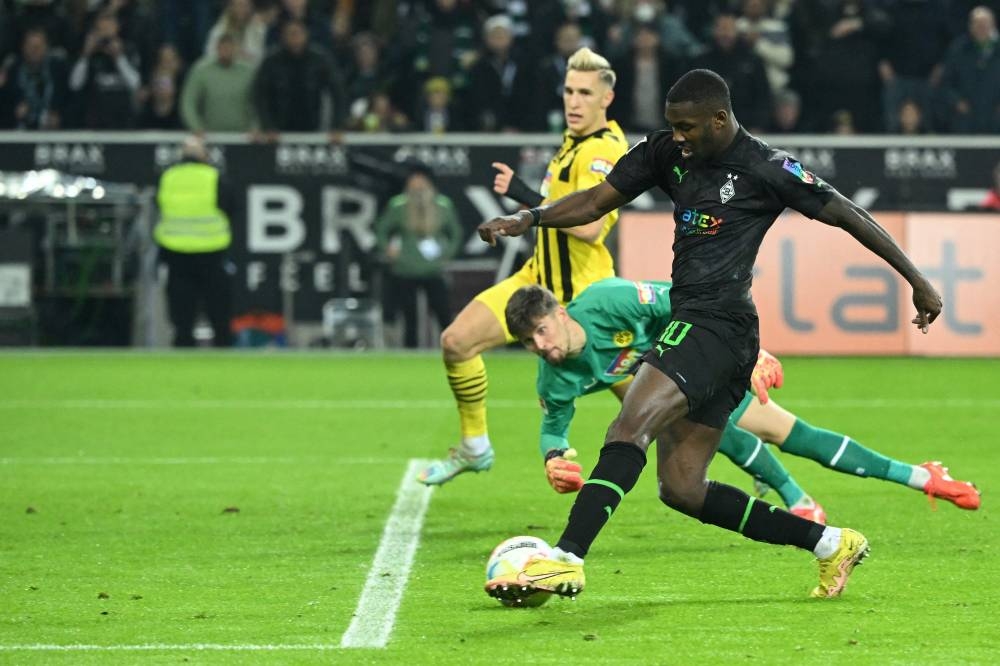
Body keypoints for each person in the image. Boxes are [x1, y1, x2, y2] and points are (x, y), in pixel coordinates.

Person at [478, 69, 943, 602]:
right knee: (681, 487)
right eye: (673, 126)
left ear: (720, 119)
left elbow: (847, 214)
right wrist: (530, 217)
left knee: (628, 426)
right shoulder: (665, 152)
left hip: (717, 326)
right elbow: (595, 201)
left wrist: (918, 281)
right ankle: (831, 542)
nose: (678, 136)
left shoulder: (767, 168)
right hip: (705, 327)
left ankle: (565, 559)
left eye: (688, 127)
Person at [505, 280, 978, 520]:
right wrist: (553, 456)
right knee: (759, 431)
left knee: (788, 434)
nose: (541, 346)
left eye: (542, 331)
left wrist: (747, 352)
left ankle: (911, 480)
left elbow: (692, 299)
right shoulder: (555, 376)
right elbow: (554, 426)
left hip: (705, 349)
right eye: (529, 342)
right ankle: (914, 478)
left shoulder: (610, 301)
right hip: (675, 379)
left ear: (560, 313)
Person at [419, 47, 628, 486]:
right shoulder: (572, 143)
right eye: (569, 90)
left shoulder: (603, 151)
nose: (573, 101)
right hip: (536, 283)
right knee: (457, 342)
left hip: (586, 299)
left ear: (606, 99)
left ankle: (758, 457)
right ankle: (475, 447)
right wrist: (529, 197)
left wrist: (527, 200)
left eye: (585, 93)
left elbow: (589, 227)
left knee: (661, 406)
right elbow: (558, 209)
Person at [154, 136, 235, 348]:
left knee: (182, 313)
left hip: (176, 251)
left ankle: (182, 350)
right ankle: (223, 350)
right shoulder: (215, 177)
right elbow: (232, 208)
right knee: (218, 309)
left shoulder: (168, 177)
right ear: (204, 156)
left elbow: (159, 206)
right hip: (212, 250)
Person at [374, 163, 462, 349]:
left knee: (443, 313)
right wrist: (388, 249)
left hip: (433, 268)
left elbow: (456, 233)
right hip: (406, 267)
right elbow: (381, 229)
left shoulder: (442, 205)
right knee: (409, 316)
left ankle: (452, 348)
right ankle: (410, 352)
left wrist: (447, 254)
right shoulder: (398, 205)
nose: (418, 187)